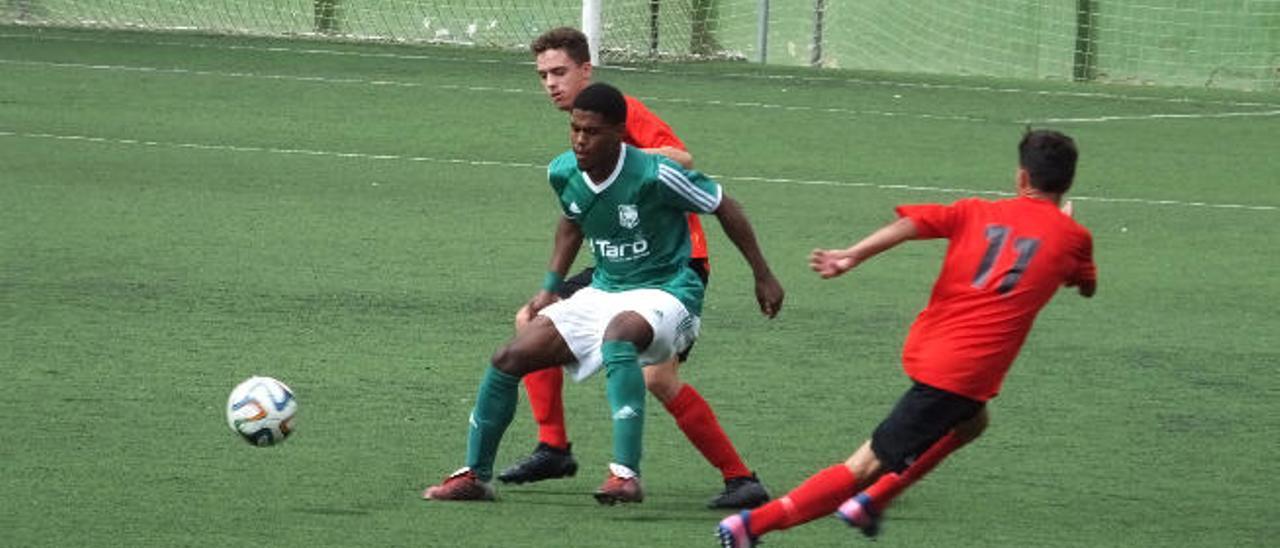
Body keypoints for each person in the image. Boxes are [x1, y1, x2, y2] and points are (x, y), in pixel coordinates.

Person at [717, 129, 1097, 546]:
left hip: (931, 349)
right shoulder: (1074, 239)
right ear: (1068, 183)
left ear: (1022, 178)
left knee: (973, 423)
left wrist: (853, 254)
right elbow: (1085, 284)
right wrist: (1064, 226)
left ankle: (877, 499)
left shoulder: (975, 211)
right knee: (861, 467)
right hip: (961, 373)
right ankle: (752, 525)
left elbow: (912, 223)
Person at [424, 82, 784, 505]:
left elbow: (725, 205)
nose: (579, 140)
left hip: (668, 290)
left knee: (622, 337)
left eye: (591, 132)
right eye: (575, 129)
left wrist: (763, 274)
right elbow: (572, 221)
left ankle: (625, 475)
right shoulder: (563, 171)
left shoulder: (656, 175)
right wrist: (549, 289)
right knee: (510, 357)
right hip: (605, 289)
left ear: (618, 132)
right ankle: (475, 476)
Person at [500, 26, 772, 509]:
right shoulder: (585, 126)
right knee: (534, 323)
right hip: (621, 264)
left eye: (560, 72)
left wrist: (625, 161)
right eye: (543, 75)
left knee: (655, 378)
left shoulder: (618, 112)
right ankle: (554, 447)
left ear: (587, 69)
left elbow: (680, 156)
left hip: (671, 261)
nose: (550, 84)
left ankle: (738, 478)